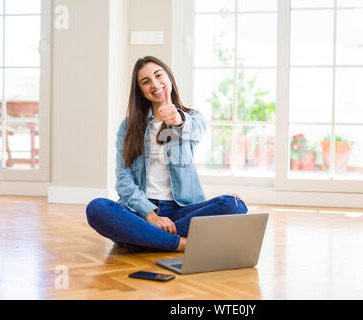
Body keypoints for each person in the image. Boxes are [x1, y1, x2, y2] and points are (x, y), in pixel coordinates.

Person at [86, 56, 248, 252]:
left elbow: (196, 130)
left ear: (169, 77)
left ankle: (142, 238)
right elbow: (123, 179)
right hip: (140, 211)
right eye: (145, 82)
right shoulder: (128, 126)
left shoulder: (192, 117)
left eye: (158, 75)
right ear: (141, 92)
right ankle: (180, 243)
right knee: (96, 208)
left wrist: (178, 119)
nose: (155, 84)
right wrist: (151, 215)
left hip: (182, 211)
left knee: (234, 205)